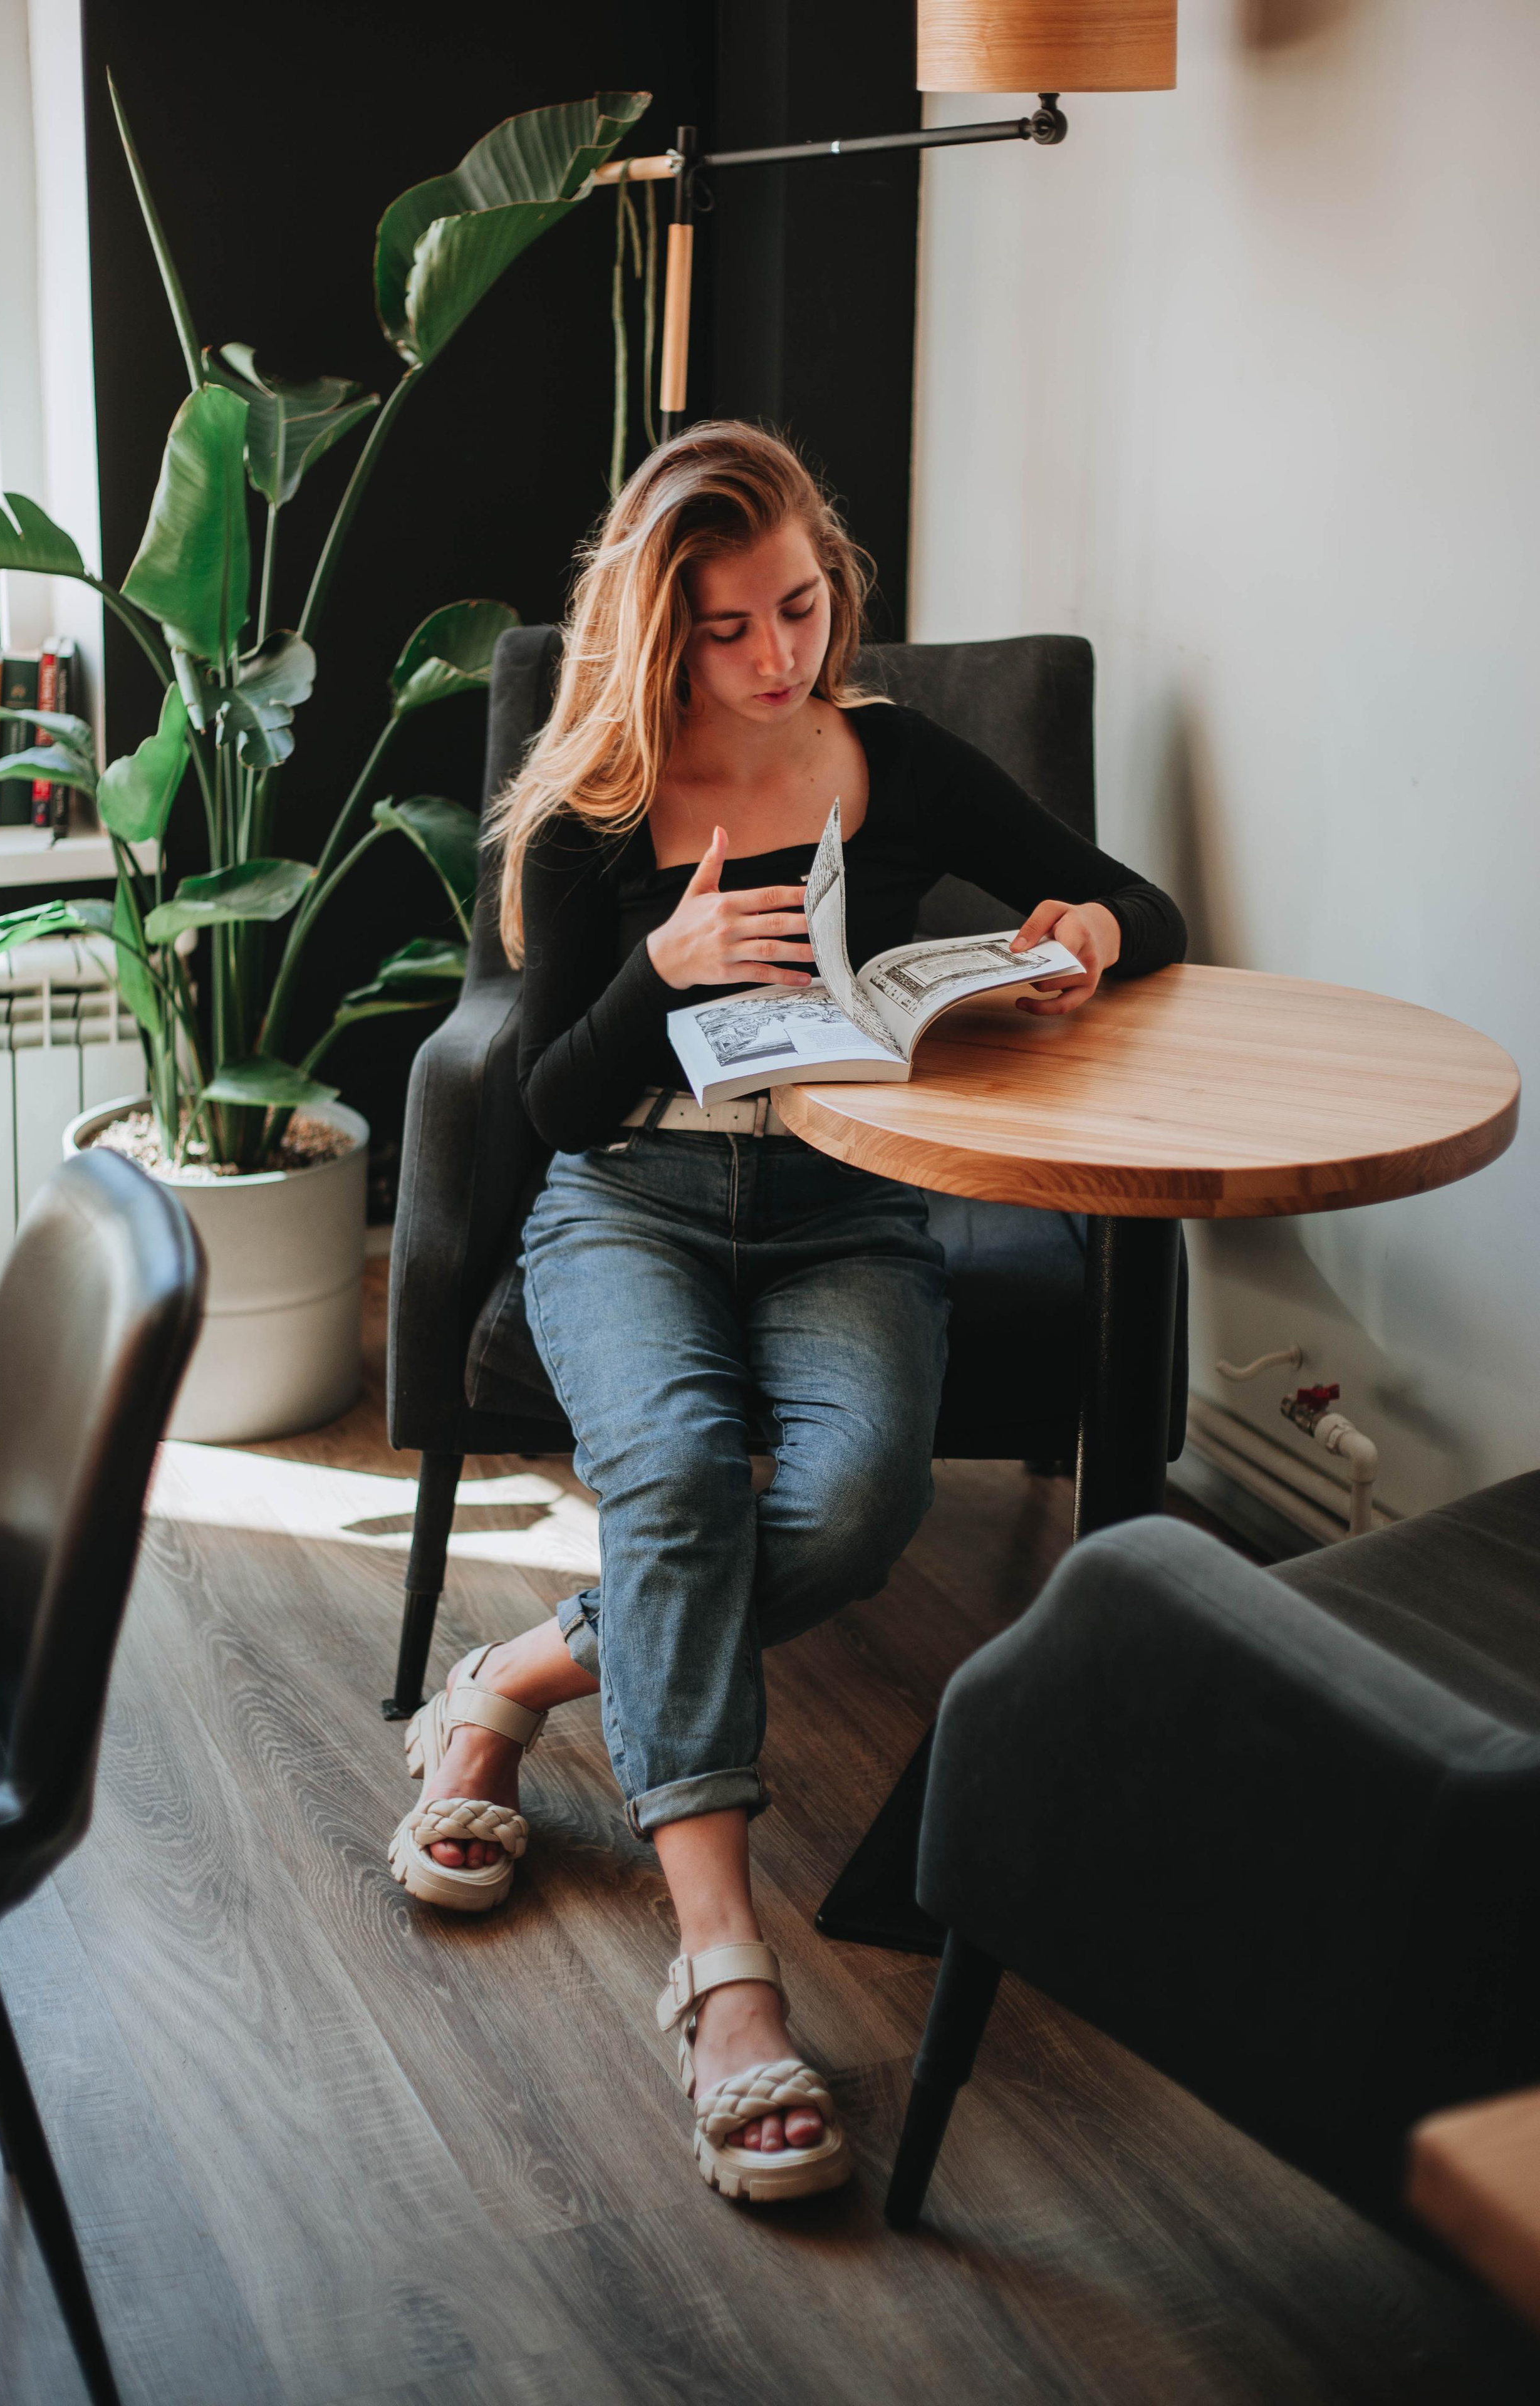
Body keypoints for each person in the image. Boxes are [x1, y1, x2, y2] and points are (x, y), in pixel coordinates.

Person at [387, 422, 1186, 2206]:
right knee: (672, 1472)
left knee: (852, 1504)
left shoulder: (889, 758)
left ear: (837, 580)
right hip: (630, 1207)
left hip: (846, 1212)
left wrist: (1082, 936)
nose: (777, 659)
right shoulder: (598, 800)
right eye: (729, 630)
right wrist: (660, 973)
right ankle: (726, 1983)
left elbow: (1139, 898)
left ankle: (515, 1677)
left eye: (802, 609)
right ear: (661, 638)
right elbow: (546, 1110)